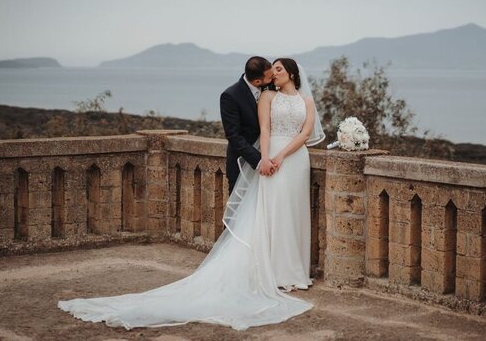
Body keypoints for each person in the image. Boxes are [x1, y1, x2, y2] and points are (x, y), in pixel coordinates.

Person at [57, 58, 325, 330]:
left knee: (294, 214)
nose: (273, 75)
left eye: (279, 69)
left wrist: (280, 155)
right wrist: (264, 159)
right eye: (271, 71)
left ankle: (294, 271)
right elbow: (251, 132)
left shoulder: (305, 100)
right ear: (259, 80)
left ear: (292, 73)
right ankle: (268, 272)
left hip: (295, 162)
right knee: (267, 216)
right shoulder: (257, 95)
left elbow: (306, 133)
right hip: (261, 161)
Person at [219, 56, 276, 193]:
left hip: (272, 160)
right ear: (257, 81)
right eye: (270, 77)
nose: (273, 77)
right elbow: (233, 136)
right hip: (242, 164)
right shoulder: (230, 96)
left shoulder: (272, 87)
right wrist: (260, 160)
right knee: (239, 212)